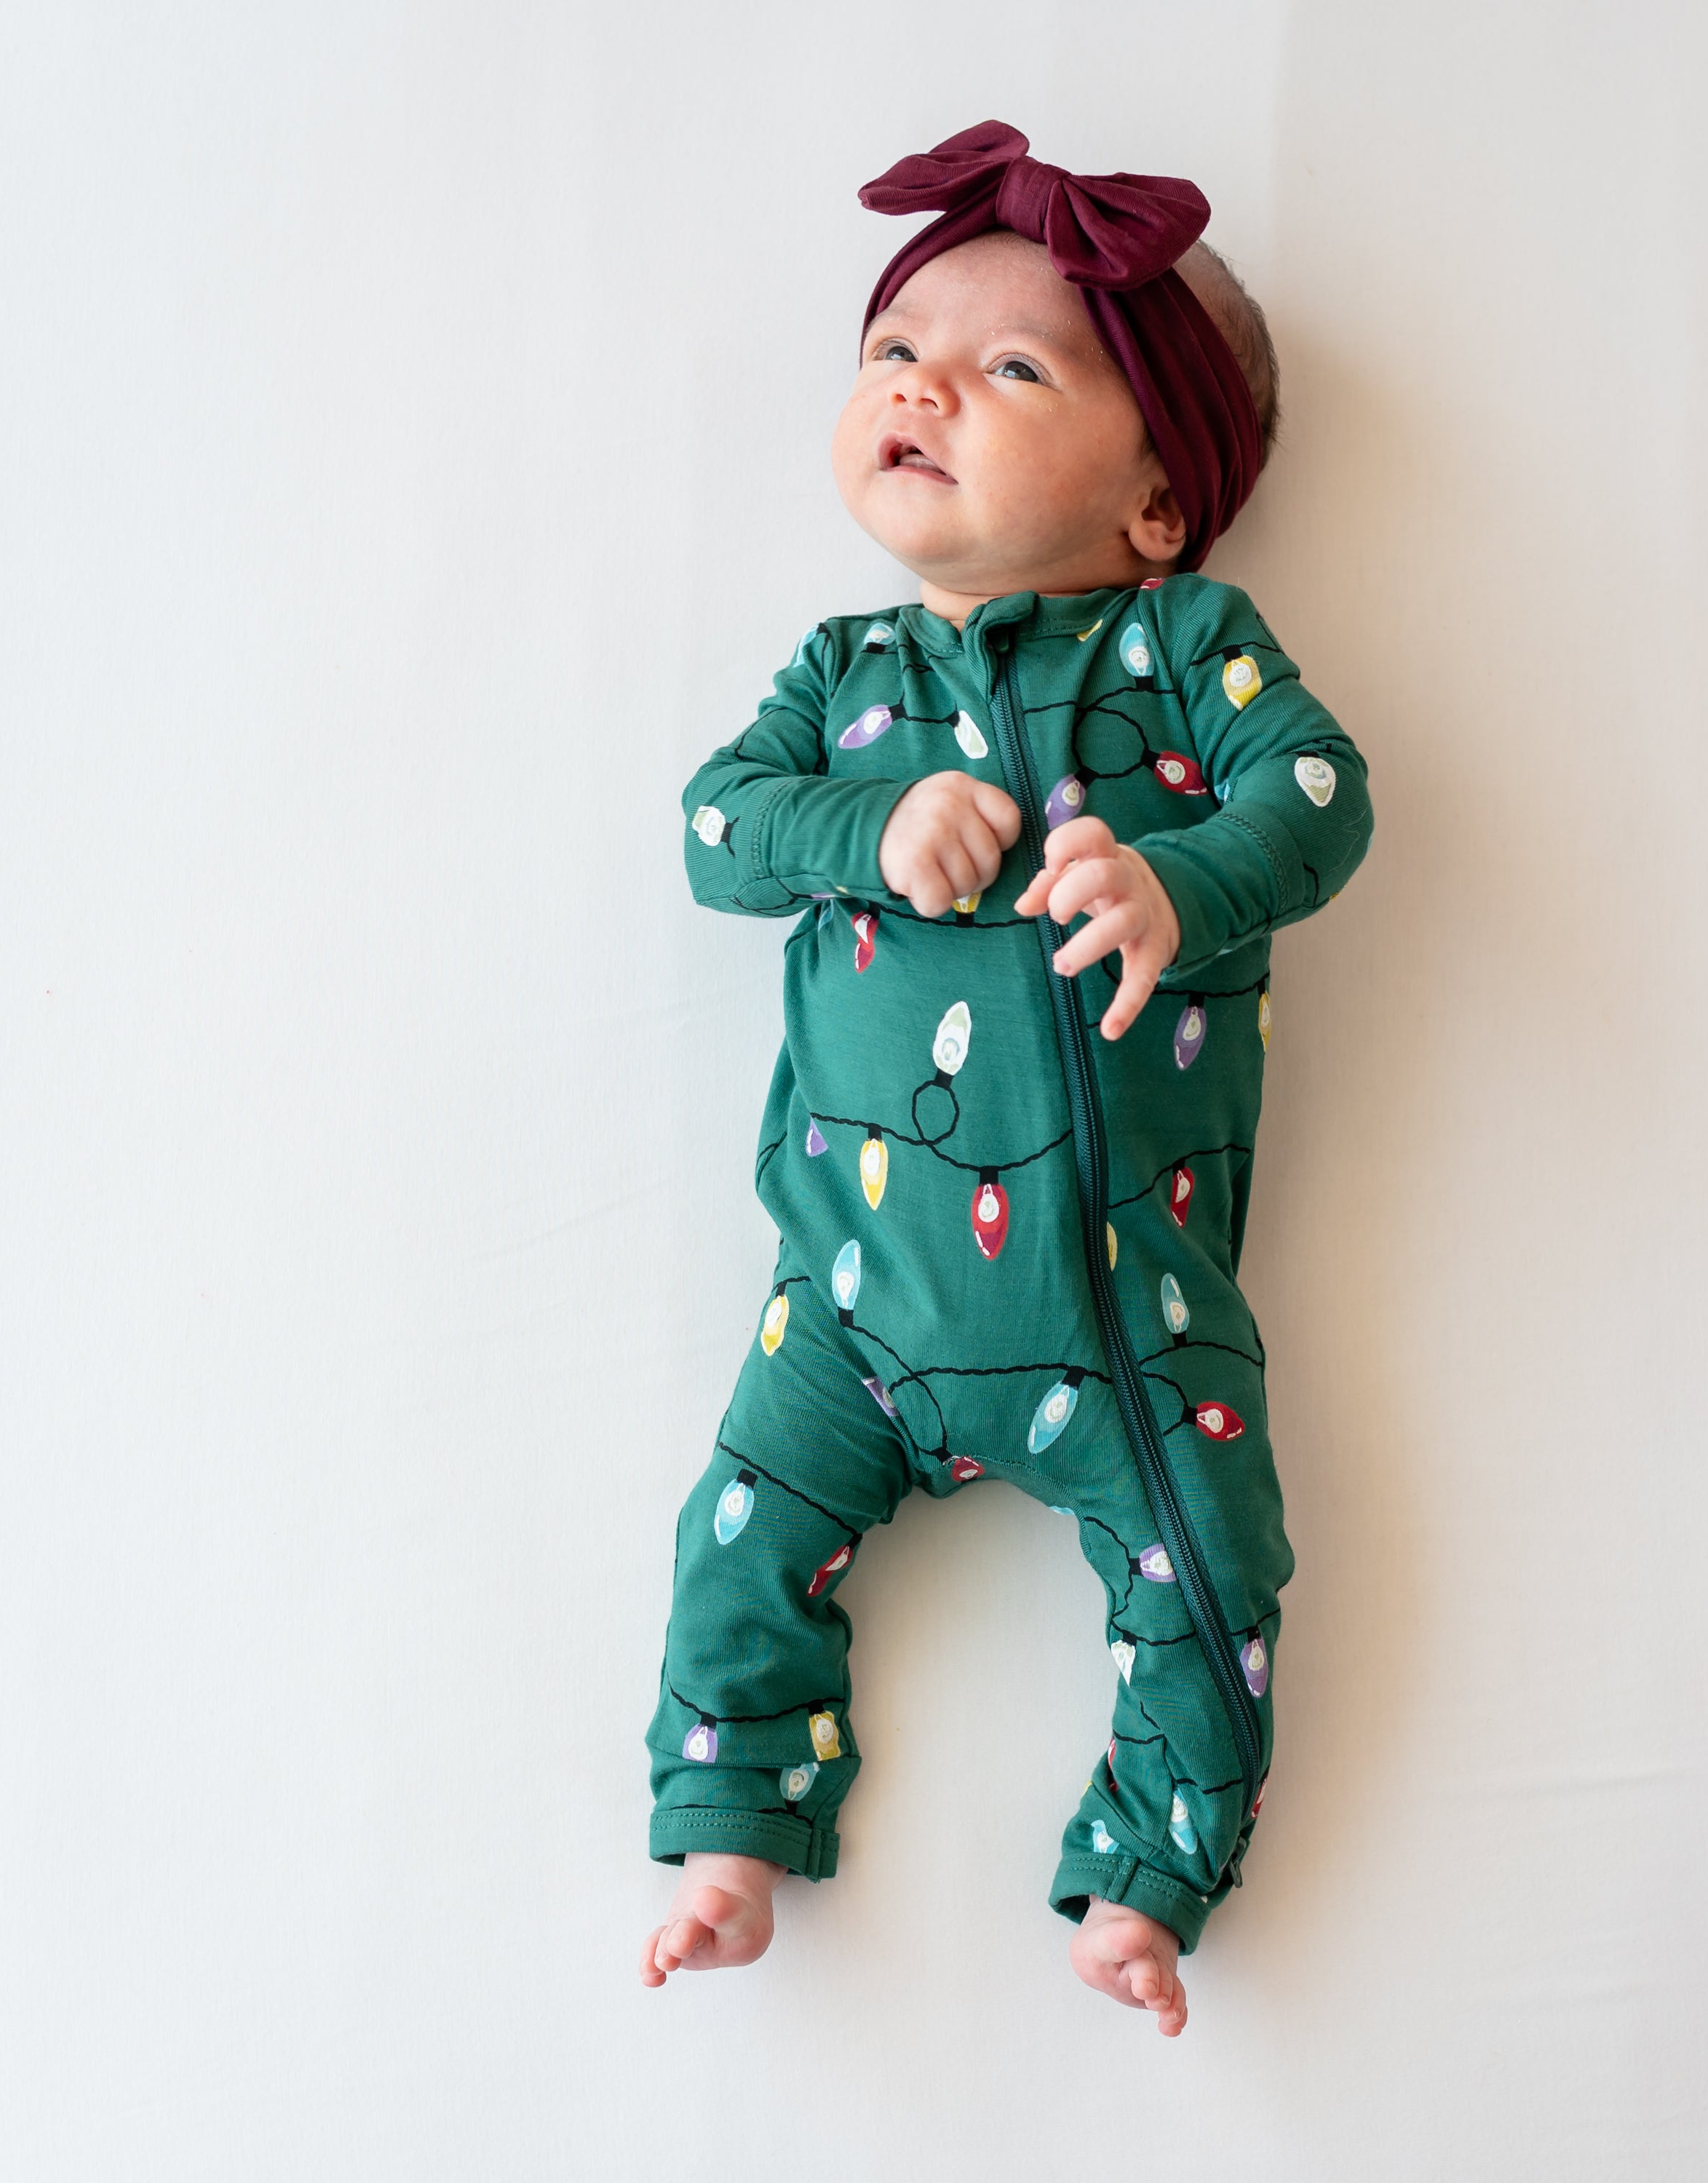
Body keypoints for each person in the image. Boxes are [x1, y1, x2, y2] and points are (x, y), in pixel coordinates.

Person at [639, 121, 1372, 2037]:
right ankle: (728, 1830)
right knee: (737, 1541)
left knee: (1218, 1572)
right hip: (852, 1301)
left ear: (1159, 501)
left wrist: (1180, 885)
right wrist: (868, 832)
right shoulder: (844, 678)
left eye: (1011, 366)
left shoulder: (1189, 642)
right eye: (897, 349)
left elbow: (1321, 795)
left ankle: (1149, 1877)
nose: (921, 386)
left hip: (1132, 1309)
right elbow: (716, 830)